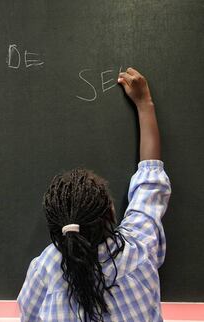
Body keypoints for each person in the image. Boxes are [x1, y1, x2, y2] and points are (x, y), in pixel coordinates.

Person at [17, 68, 171, 322]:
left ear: (57, 229)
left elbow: (29, 316)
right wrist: (145, 104)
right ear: (111, 212)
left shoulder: (46, 269)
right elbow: (151, 183)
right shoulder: (138, 250)